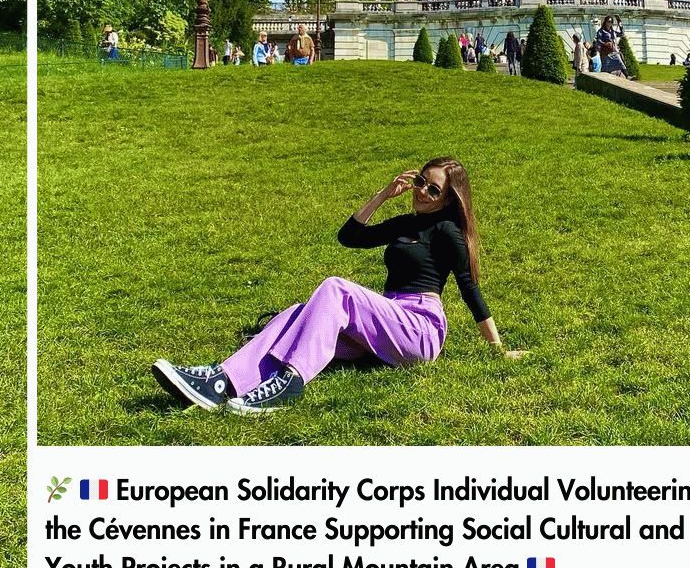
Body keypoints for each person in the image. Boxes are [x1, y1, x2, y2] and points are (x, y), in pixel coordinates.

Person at [151, 159, 520, 414]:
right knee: (297, 315)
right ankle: (221, 381)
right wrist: (382, 196)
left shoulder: (448, 232)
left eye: (433, 189)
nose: (422, 191)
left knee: (336, 289)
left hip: (419, 329)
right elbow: (350, 237)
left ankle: (290, 383)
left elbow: (470, 290)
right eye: (421, 181)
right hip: (385, 327)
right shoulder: (404, 223)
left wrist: (498, 349)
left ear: (448, 198)